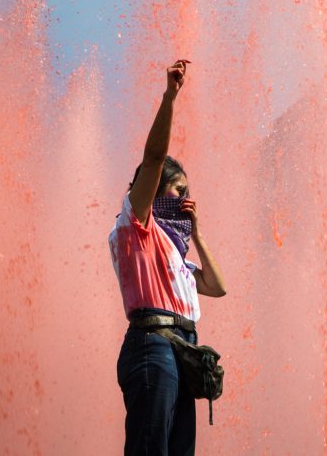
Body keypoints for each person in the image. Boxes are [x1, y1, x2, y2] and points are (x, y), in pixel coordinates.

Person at [108, 59, 227, 456]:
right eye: (179, 191)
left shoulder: (176, 254)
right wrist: (170, 97)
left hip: (181, 350)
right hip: (152, 345)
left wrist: (198, 232)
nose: (187, 200)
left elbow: (218, 287)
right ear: (156, 190)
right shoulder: (137, 226)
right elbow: (155, 156)